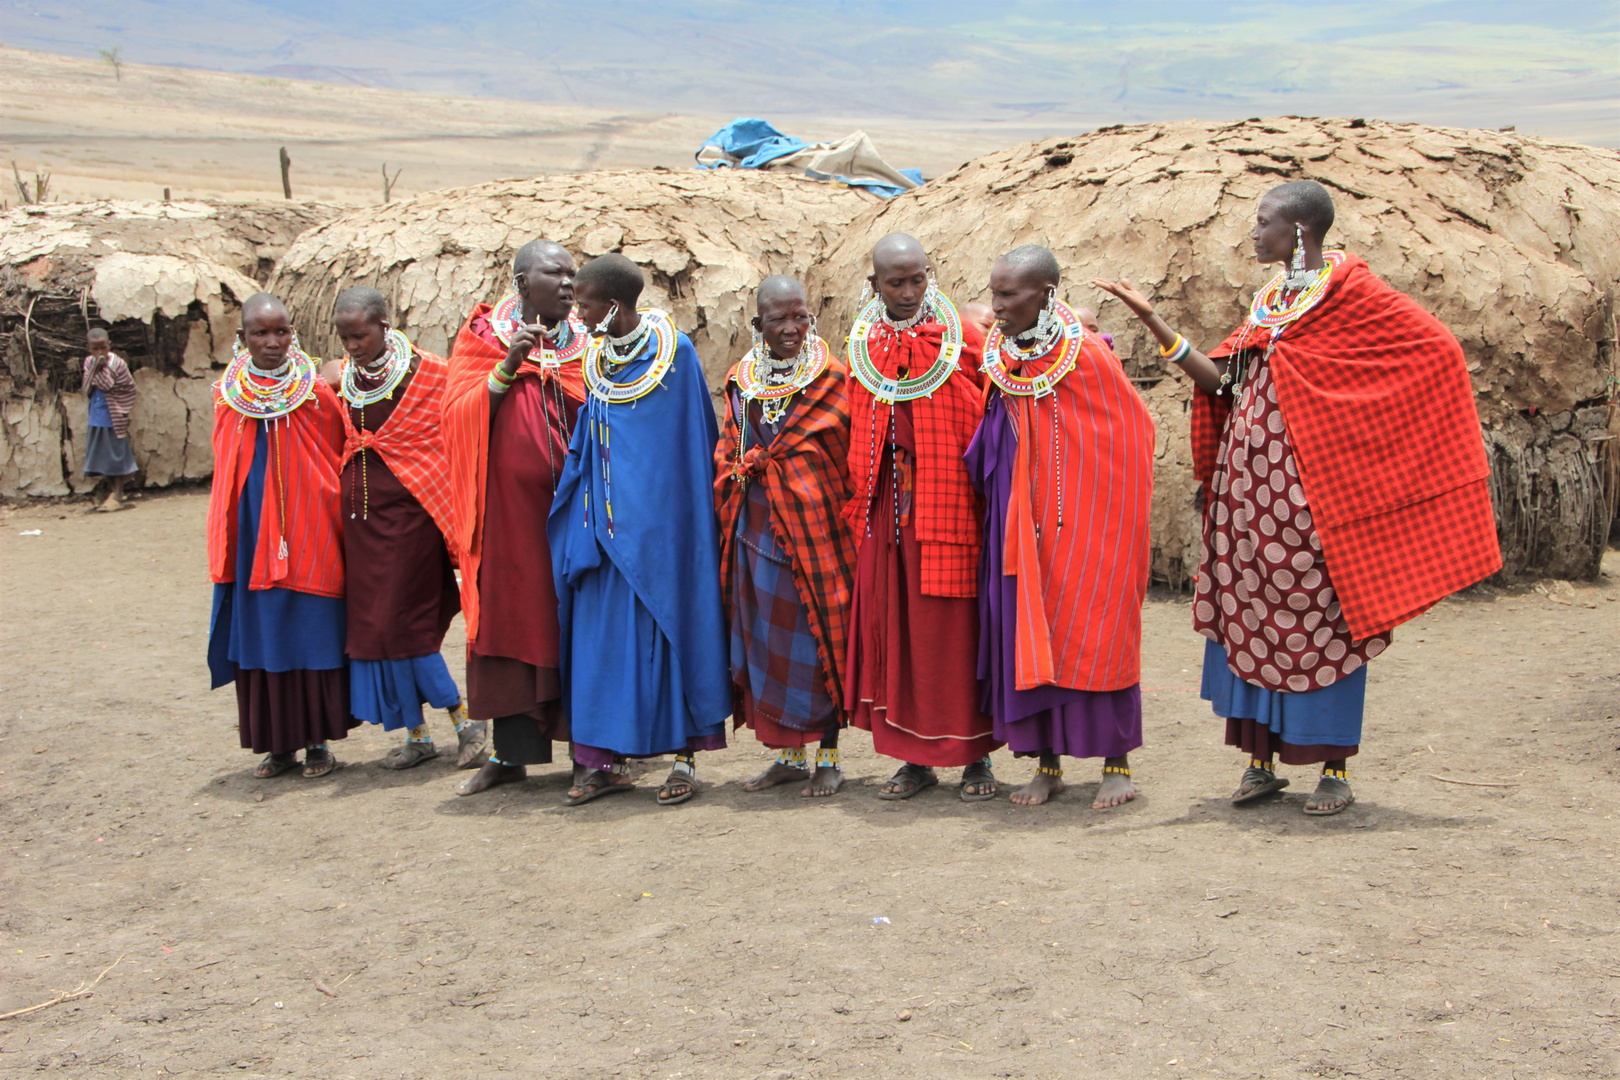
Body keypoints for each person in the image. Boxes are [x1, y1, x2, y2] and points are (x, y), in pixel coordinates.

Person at [1095, 179, 1500, 815]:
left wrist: (1356, 440)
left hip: (1312, 501)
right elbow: (1225, 383)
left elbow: (1436, 350)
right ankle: (1261, 764)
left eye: (1263, 223)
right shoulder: (1270, 299)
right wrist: (1154, 321)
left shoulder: (1353, 294)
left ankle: (1334, 771)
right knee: (1255, 614)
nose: (1254, 235)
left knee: (1324, 620)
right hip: (1247, 499)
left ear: (1299, 231)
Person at [968, 245, 1155, 808]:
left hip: (1090, 517)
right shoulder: (1002, 352)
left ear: (1046, 294)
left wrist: (1099, 511)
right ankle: (1045, 762)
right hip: (1019, 520)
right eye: (994, 293)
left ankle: (1116, 762)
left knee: (1097, 628)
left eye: (1008, 295)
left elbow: (1129, 435)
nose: (996, 307)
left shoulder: (1088, 356)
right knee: (1029, 628)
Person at [549, 253, 731, 806]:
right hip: (602, 526)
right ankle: (601, 761)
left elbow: (688, 441)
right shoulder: (597, 360)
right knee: (598, 637)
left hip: (664, 525)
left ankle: (684, 758)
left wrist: (672, 520)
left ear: (611, 306)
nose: (576, 315)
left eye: (583, 305)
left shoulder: (673, 354)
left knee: (673, 629)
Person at [843, 233, 1001, 800]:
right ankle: (913, 759)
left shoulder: (963, 341)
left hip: (954, 512)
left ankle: (975, 757)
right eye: (895, 283)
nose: (909, 293)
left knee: (953, 634)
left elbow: (988, 421)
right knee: (899, 632)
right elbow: (859, 428)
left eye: (918, 280)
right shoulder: (863, 347)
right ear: (874, 286)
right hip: (889, 516)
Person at [442, 240, 587, 796]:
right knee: (511, 622)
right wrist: (508, 366)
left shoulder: (591, 341)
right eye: (556, 273)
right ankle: (510, 754)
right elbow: (455, 417)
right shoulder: (482, 338)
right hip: (507, 519)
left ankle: (589, 751)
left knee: (576, 624)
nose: (569, 284)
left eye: (573, 274)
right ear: (523, 282)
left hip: (574, 515)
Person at [319, 287, 485, 771]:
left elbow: (453, 430)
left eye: (361, 335)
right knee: (374, 628)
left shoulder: (428, 372)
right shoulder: (343, 378)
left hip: (415, 517)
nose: (352, 346)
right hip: (362, 525)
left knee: (405, 624)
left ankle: (466, 722)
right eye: (345, 338)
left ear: (384, 325)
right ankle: (416, 734)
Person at [715, 276, 857, 798]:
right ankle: (790, 756)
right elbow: (729, 447)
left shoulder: (834, 378)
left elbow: (846, 460)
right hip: (756, 534)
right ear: (758, 325)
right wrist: (744, 468)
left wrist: (790, 475)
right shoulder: (742, 380)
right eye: (779, 320)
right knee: (768, 643)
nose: (793, 328)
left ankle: (829, 755)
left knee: (821, 641)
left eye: (800, 316)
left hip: (818, 533)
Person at [206, 293, 354, 778]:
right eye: (261, 334)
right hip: (251, 531)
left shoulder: (315, 391)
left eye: (282, 332)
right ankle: (277, 745)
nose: (273, 343)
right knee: (264, 631)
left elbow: (337, 452)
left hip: (310, 527)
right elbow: (227, 465)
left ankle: (316, 744)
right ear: (242, 338)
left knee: (309, 627)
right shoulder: (227, 394)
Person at [80, 328, 138, 510]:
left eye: (103, 348)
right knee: (103, 453)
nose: (99, 353)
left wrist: (100, 369)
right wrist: (96, 369)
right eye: (95, 349)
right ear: (89, 348)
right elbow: (86, 385)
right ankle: (112, 491)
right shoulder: (89, 362)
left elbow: (108, 384)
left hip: (114, 413)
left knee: (115, 452)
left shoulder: (116, 363)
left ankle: (119, 493)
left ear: (109, 346)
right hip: (98, 412)